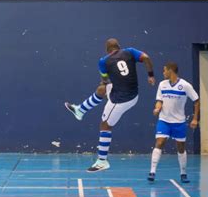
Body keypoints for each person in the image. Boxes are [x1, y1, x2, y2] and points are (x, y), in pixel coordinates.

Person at [65, 38, 155, 172]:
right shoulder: (129, 52)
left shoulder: (104, 61)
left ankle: (102, 161)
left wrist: (107, 87)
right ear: (119, 46)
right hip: (133, 94)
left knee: (105, 125)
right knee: (101, 90)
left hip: (121, 99)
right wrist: (150, 75)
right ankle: (80, 110)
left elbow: (105, 80)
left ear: (107, 50)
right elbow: (146, 58)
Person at [148, 62, 199, 183]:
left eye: (165, 70)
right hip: (164, 120)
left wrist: (195, 118)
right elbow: (159, 100)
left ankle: (183, 173)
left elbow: (196, 101)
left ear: (171, 70)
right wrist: (157, 108)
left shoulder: (185, 85)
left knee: (181, 148)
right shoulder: (162, 84)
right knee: (159, 142)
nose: (163, 72)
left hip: (179, 122)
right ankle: (152, 171)